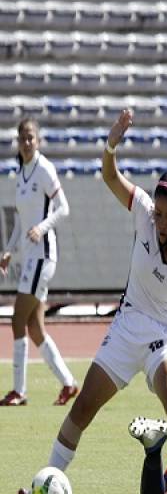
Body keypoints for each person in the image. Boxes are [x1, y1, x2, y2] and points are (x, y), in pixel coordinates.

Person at [17, 108, 167, 494]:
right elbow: (109, 176)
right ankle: (46, 484)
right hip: (127, 324)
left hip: (160, 334)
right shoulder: (143, 213)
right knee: (84, 405)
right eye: (160, 213)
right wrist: (111, 143)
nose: (162, 221)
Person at [0, 117, 78, 406]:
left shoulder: (44, 168)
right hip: (31, 257)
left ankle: (19, 391)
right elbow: (21, 222)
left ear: (39, 140)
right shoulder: (20, 174)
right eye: (23, 138)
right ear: (18, 142)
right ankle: (69, 383)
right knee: (34, 328)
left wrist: (43, 228)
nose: (27, 142)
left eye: (31, 137)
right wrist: (8, 250)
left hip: (43, 256)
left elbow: (63, 208)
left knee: (16, 319)